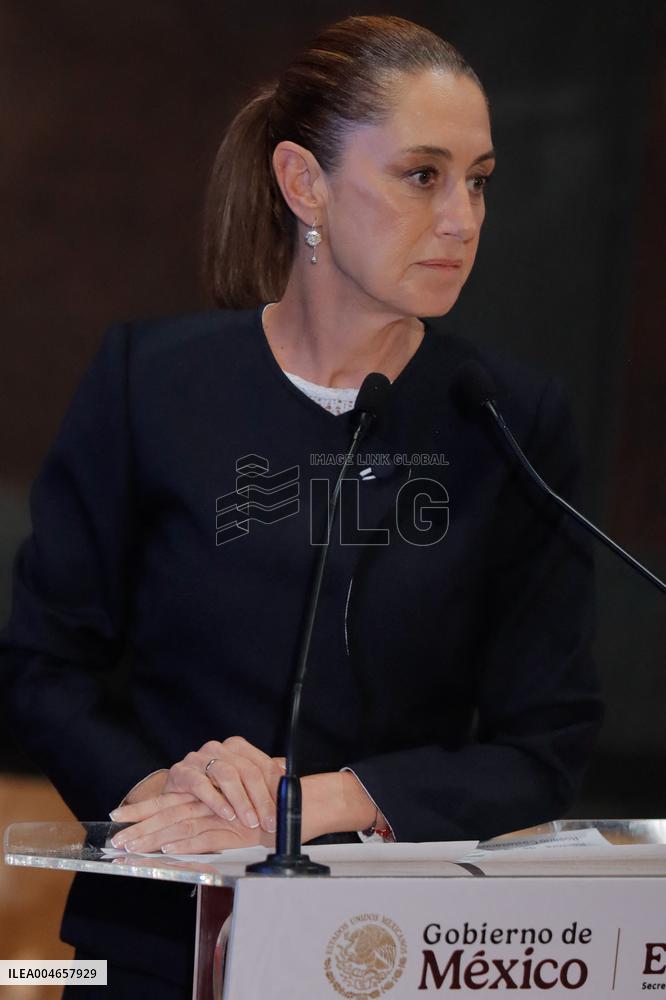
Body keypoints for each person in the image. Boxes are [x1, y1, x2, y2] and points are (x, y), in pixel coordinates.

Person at [0, 14, 602, 997]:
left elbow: (545, 741)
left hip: (395, 948)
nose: (462, 217)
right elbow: (41, 668)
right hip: (159, 936)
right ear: (303, 182)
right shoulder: (146, 384)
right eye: (422, 175)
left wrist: (319, 800)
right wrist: (162, 797)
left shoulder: (510, 419)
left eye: (479, 180)